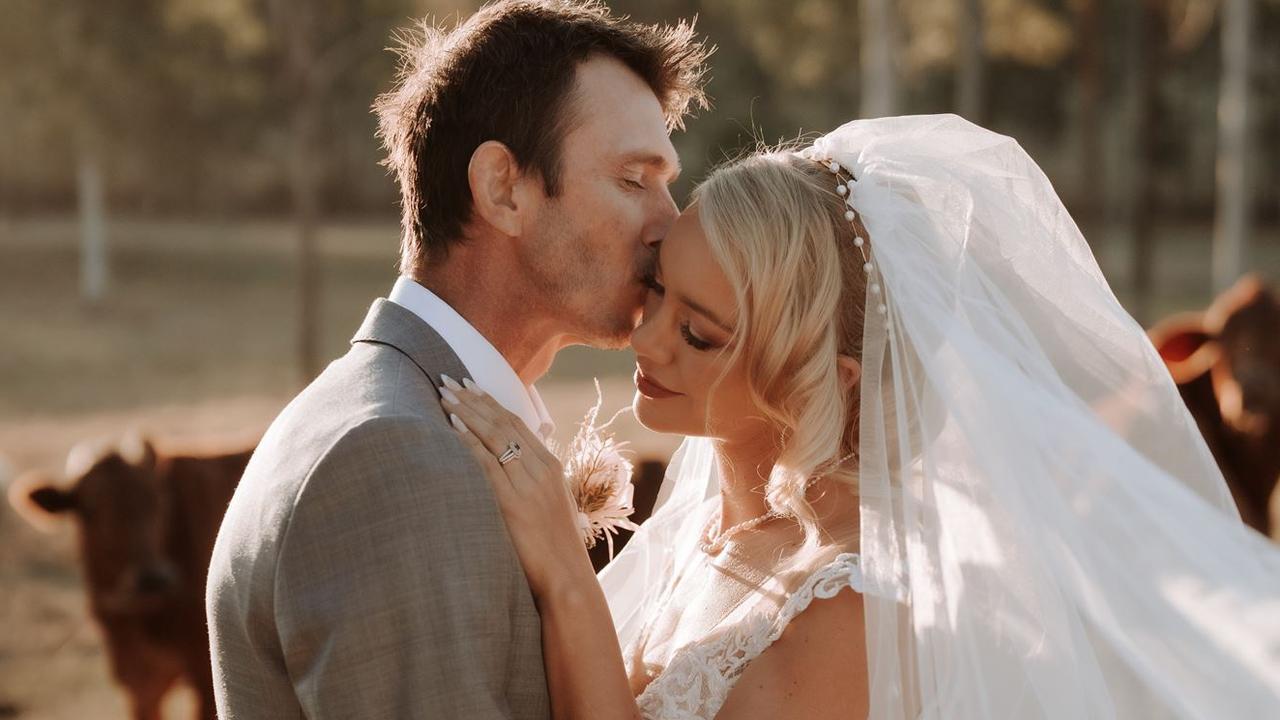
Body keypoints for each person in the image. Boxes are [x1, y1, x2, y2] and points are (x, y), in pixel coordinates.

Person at [444, 114, 1280, 719]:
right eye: (658, 288)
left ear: (830, 381)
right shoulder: (708, 531)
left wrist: (564, 573)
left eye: (699, 334)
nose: (646, 337)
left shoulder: (852, 607)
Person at [204, 2, 709, 717]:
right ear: (503, 187)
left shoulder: (424, 425)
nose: (671, 223)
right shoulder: (392, 458)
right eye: (635, 180)